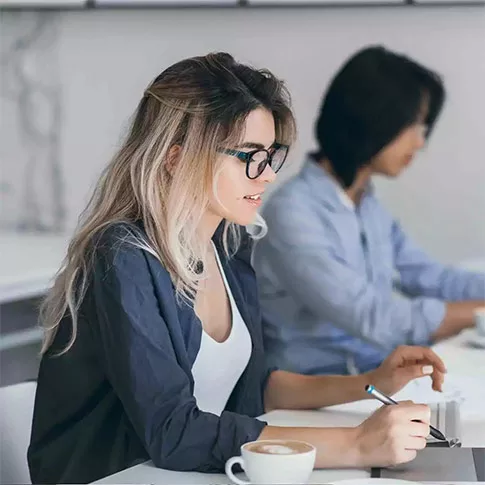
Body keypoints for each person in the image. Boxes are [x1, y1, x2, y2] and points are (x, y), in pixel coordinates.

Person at [29, 52, 447, 485]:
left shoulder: (229, 247)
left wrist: (369, 382)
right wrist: (356, 444)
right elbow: (174, 431)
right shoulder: (123, 256)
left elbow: (254, 387)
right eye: (249, 156)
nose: (265, 175)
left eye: (270, 156)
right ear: (175, 158)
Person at [253, 45, 485, 377]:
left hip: (375, 377)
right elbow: (374, 317)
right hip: (320, 395)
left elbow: (433, 279)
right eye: (415, 126)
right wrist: (479, 311)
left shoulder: (367, 204)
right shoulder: (291, 214)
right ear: (376, 120)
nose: (421, 143)